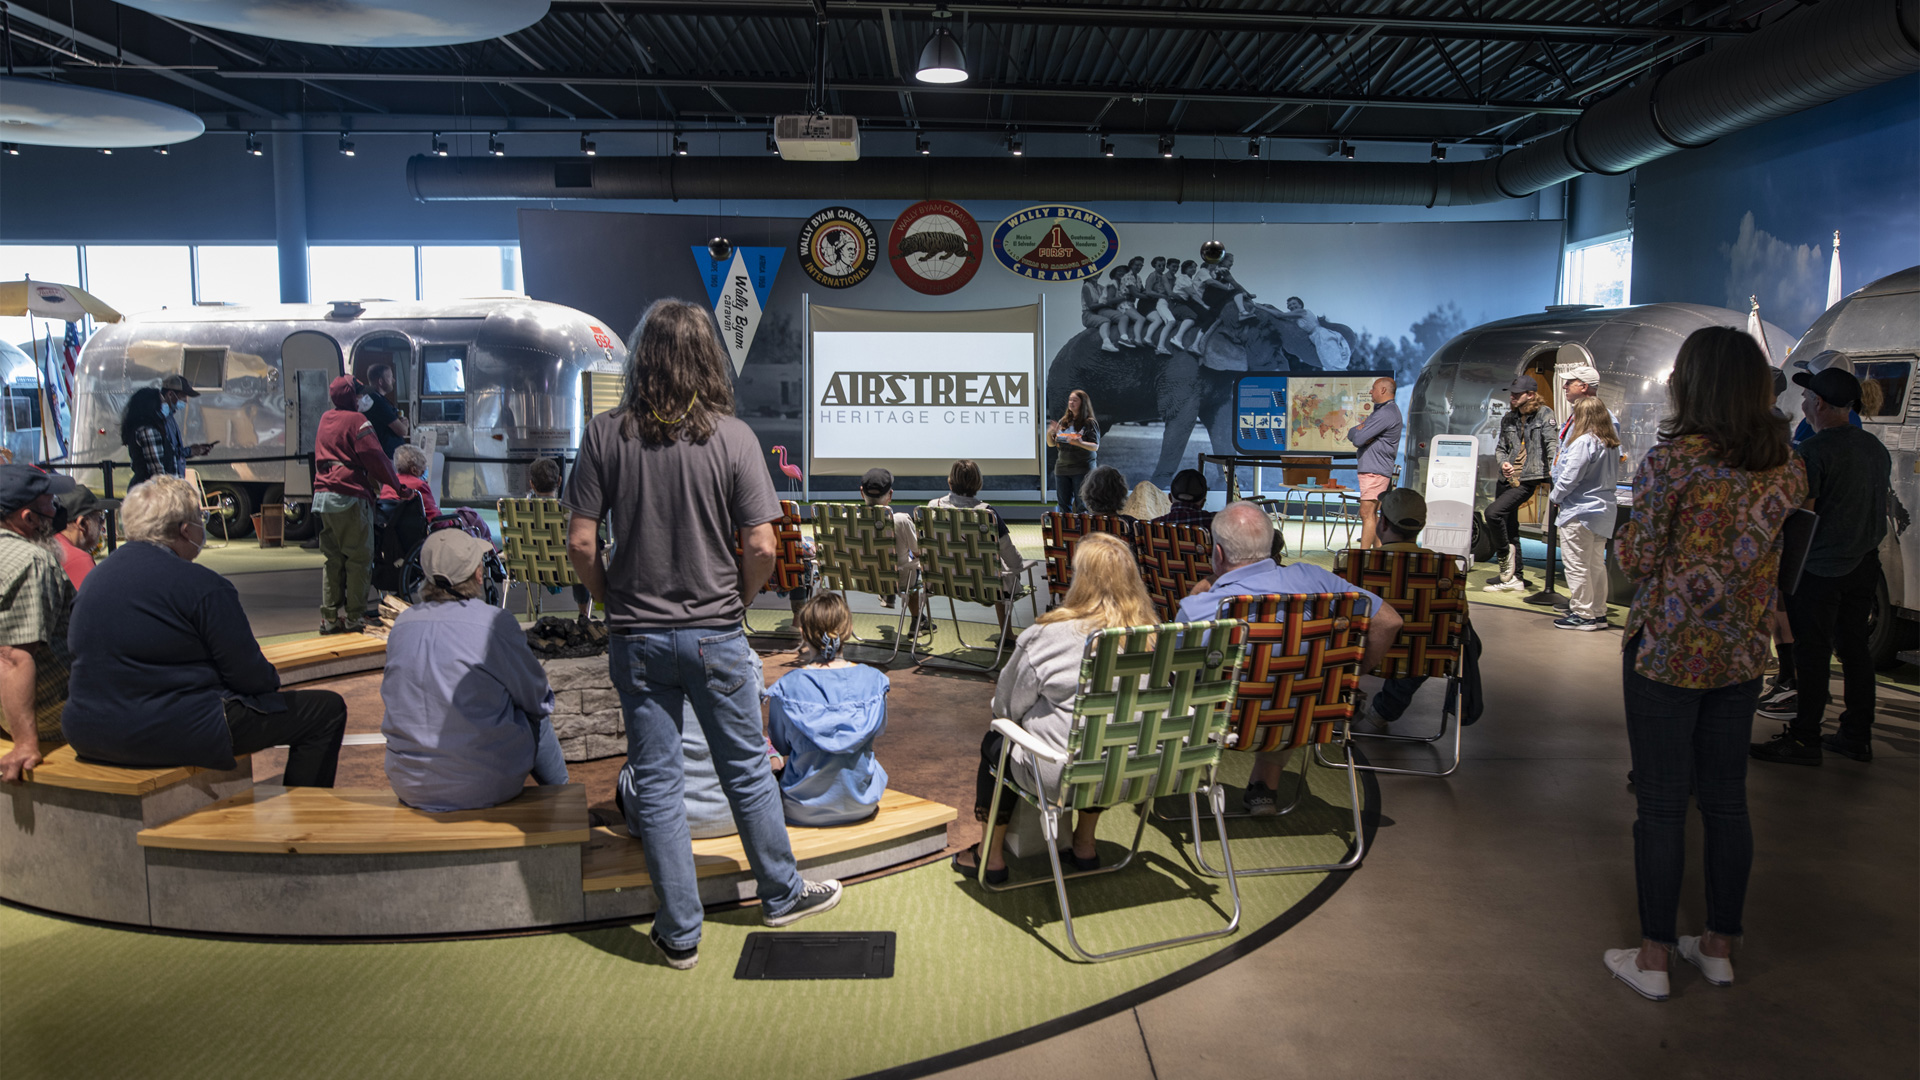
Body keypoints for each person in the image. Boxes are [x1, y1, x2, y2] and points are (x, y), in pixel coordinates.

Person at [563, 297, 841, 971]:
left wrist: (610, 600)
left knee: (654, 782)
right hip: (716, 632)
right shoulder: (735, 437)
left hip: (637, 637)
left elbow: (578, 543)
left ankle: (680, 933)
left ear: (642, 358)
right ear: (708, 357)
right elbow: (763, 546)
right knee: (745, 768)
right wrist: (736, 602)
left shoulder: (604, 436)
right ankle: (781, 893)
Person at [1605, 326, 1805, 1001]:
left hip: (1666, 652)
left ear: (1691, 384)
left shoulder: (1673, 463)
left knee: (1661, 807)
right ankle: (1718, 946)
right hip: (1742, 654)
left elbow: (1637, 562)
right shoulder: (1788, 465)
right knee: (1726, 802)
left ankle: (1655, 957)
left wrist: (1631, 534)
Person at [60, 476, 348, 784]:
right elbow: (251, 677)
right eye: (202, 518)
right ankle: (306, 821)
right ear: (186, 530)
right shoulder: (203, 585)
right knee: (325, 710)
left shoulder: (94, 579)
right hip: (167, 731)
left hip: (86, 729)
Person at [1177, 501, 1402, 814]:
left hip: (1224, 726)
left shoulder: (1202, 607)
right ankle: (1264, 789)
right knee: (1288, 681)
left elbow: (1175, 673)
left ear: (1218, 553)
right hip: (1310, 719)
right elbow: (1389, 621)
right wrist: (1349, 676)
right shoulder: (1317, 582)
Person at [952, 532, 1147, 883]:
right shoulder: (1155, 636)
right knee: (1108, 734)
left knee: (997, 742)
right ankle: (1084, 844)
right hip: (1143, 772)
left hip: (1066, 776)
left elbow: (1005, 708)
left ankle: (989, 856)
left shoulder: (1050, 636)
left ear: (1080, 579)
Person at [1751, 366, 1892, 767]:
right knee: (1855, 652)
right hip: (1864, 566)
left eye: (1808, 397)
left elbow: (1802, 515)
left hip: (1818, 570)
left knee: (1812, 656)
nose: (1802, 402)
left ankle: (1804, 737)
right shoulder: (1874, 449)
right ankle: (1855, 734)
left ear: (1820, 404)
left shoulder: (1812, 453)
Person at [381, 529, 567, 812]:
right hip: (483, 783)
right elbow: (538, 697)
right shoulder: (494, 623)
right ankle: (565, 801)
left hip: (409, 782)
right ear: (478, 574)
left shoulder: (403, 624)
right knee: (534, 713)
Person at [1354, 488, 1484, 729]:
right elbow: (1460, 619)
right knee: (1433, 640)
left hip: (1363, 653)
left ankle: (1347, 704)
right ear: (1420, 527)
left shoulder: (1357, 565)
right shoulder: (1445, 569)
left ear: (1382, 524)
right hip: (1422, 656)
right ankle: (1385, 709)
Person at [765, 592, 889, 827]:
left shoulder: (786, 687)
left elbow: (781, 745)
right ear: (849, 630)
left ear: (803, 633)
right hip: (862, 802)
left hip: (800, 806)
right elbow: (878, 730)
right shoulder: (875, 681)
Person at [313, 375, 411, 635]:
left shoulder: (325, 419)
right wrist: (398, 487)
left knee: (332, 559)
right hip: (350, 495)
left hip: (322, 497)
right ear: (351, 396)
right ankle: (355, 617)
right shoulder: (358, 421)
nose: (362, 398)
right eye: (358, 394)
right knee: (358, 559)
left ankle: (330, 618)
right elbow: (375, 458)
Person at [0, 465, 78, 782]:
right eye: (49, 502)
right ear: (28, 518)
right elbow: (13, 656)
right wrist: (25, 744)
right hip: (54, 712)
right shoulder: (32, 560)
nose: (57, 508)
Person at [927, 459, 1027, 632]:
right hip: (986, 587)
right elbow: (1012, 559)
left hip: (942, 582)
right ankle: (1007, 633)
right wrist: (1018, 569)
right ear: (978, 484)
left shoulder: (932, 508)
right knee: (1001, 570)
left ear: (950, 483)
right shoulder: (987, 514)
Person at [1549, 396, 1620, 631]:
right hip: (1604, 511)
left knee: (1577, 565)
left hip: (1580, 511)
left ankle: (1582, 613)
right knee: (1595, 564)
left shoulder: (1583, 442)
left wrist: (1555, 497)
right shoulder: (1611, 444)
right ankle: (1598, 613)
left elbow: (1570, 477)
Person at [1485, 376, 1557, 592]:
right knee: (1509, 526)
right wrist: (1503, 463)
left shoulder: (1545, 414)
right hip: (1506, 478)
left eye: (1517, 393)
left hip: (1527, 479)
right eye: (1512, 393)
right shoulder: (1508, 418)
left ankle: (1506, 560)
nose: (1512, 397)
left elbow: (1552, 443)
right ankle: (1514, 577)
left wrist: (1556, 469)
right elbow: (1501, 448)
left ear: (1531, 395)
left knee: (1492, 514)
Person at [860, 467, 926, 636]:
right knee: (912, 566)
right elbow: (918, 552)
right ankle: (917, 620)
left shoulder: (847, 522)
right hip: (902, 580)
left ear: (862, 493)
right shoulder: (901, 521)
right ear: (890, 494)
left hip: (864, 580)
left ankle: (887, 592)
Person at [527, 456, 593, 622]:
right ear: (559, 481)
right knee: (579, 555)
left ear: (532, 484)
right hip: (569, 571)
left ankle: (530, 614)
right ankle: (583, 611)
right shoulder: (572, 511)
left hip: (533, 570)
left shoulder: (520, 511)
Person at [1346, 376, 1403, 549]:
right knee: (1373, 514)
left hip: (1375, 471)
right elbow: (1352, 433)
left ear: (1383, 390)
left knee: (1366, 512)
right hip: (1375, 470)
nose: (1370, 391)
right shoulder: (1383, 412)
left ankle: (1362, 557)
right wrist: (1359, 431)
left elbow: (1358, 438)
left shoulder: (1386, 413)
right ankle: (1378, 554)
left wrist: (1362, 432)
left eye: (1373, 388)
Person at [122, 380, 213, 487]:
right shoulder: (149, 431)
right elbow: (157, 469)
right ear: (150, 406)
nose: (163, 404)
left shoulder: (140, 428)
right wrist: (169, 490)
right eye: (160, 402)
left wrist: (192, 451)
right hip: (155, 492)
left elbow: (168, 454)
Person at [53, 484, 118, 589]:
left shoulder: (47, 543)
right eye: (100, 517)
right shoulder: (78, 560)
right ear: (82, 523)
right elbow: (95, 603)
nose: (102, 524)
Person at [1046, 390, 1099, 514]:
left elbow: (1095, 446)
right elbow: (1051, 443)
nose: (1071, 402)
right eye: (1070, 399)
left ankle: (1083, 532)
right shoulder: (1063, 421)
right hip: (1062, 470)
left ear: (1083, 403)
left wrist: (1079, 443)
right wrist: (1050, 433)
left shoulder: (1089, 423)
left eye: (1075, 400)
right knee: (1063, 506)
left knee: (1082, 506)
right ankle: (1065, 531)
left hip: (1082, 469)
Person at [381, 445, 442, 520]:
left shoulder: (388, 484)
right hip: (415, 529)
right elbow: (435, 518)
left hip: (390, 529)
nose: (424, 471)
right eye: (423, 467)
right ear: (414, 470)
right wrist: (453, 521)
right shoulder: (419, 485)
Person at [363, 363, 410, 460]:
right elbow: (402, 431)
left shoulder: (375, 399)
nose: (393, 380)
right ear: (380, 381)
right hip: (387, 457)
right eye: (390, 377)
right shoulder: (377, 402)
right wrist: (405, 425)